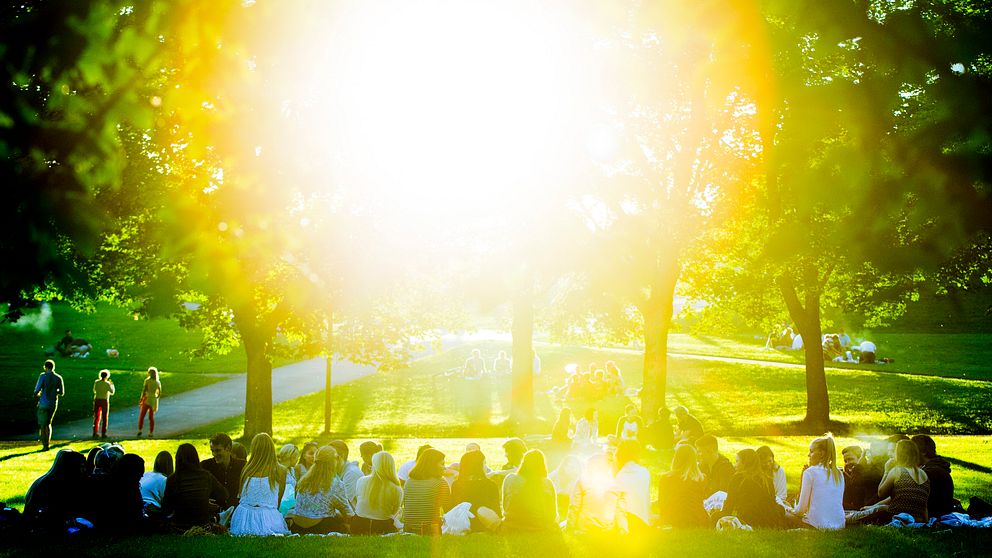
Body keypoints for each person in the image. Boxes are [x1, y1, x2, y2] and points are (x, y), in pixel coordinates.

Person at [230, 432, 290, 535]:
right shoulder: (281, 470)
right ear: (271, 448)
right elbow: (277, 502)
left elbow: (240, 496)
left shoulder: (246, 469)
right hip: (268, 519)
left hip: (243, 518)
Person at [286, 446, 354, 534]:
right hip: (321, 527)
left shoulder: (304, 481)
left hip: (297, 526)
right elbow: (348, 513)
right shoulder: (335, 484)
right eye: (337, 457)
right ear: (332, 461)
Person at [162, 443, 228, 531]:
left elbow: (166, 508)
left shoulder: (173, 479)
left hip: (179, 527)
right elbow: (224, 495)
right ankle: (218, 518)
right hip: (203, 526)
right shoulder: (206, 476)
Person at [720, 449, 787, 529]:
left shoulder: (738, 479)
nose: (735, 465)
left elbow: (729, 504)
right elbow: (771, 504)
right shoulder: (767, 479)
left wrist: (719, 515)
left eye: (737, 461)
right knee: (780, 508)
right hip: (766, 520)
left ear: (745, 462)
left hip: (747, 519)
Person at [24, 449, 87, 531]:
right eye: (81, 466)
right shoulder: (58, 484)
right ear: (72, 467)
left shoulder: (46, 479)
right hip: (44, 525)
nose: (84, 470)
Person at [790, 437, 845, 529]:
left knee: (782, 512)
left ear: (822, 454)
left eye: (811, 451)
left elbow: (801, 510)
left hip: (817, 525)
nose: (808, 455)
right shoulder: (839, 473)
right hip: (840, 524)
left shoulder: (810, 472)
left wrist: (790, 510)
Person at [566, 453, 625, 534]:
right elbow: (619, 509)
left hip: (584, 530)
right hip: (606, 531)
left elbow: (574, 506)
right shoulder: (615, 485)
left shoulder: (582, 481)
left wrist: (569, 529)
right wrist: (622, 528)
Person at [502, 450, 558, 532]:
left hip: (512, 525)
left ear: (523, 462)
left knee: (484, 512)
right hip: (540, 526)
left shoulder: (511, 478)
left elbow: (505, 506)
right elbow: (552, 512)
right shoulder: (547, 482)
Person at [876, 440, 931, 522]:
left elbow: (881, 493)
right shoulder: (924, 474)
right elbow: (924, 505)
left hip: (895, 515)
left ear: (898, 454)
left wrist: (886, 471)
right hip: (917, 519)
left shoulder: (897, 471)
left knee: (857, 515)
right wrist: (926, 523)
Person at [657, 444, 709, 527]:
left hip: (674, 519)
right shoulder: (702, 478)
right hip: (698, 520)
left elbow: (662, 503)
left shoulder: (667, 478)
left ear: (676, 458)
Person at [402, 448, 450, 534]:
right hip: (429, 530)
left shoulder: (409, 481)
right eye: (442, 464)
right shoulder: (440, 482)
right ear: (433, 465)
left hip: (407, 529)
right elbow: (448, 511)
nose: (445, 467)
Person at [450, 450, 501, 532]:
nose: (486, 467)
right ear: (478, 466)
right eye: (484, 463)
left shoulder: (456, 484)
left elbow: (454, 508)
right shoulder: (490, 485)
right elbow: (496, 509)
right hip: (485, 525)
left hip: (462, 524)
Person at [353, 451, 403, 535]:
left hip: (358, 526)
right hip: (382, 527)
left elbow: (359, 500)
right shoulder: (396, 488)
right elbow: (393, 511)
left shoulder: (361, 481)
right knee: (399, 511)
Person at [912, 435, 956, 518]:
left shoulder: (931, 472)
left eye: (912, 451)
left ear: (923, 452)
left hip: (934, 514)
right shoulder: (933, 467)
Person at [201, 432, 247, 509]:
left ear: (228, 448)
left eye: (218, 450)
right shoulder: (205, 466)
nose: (214, 454)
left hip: (237, 511)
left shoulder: (242, 466)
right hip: (215, 512)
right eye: (212, 451)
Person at [613, 440, 650, 530]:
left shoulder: (619, 476)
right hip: (642, 522)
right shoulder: (644, 472)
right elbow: (647, 499)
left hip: (625, 523)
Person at [34, 359, 65, 451]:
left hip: (43, 403)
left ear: (45, 367)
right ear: (53, 367)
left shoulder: (43, 376)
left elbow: (36, 390)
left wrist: (39, 394)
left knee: (43, 425)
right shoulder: (58, 378)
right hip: (53, 403)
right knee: (48, 424)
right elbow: (62, 392)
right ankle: (47, 443)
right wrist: (55, 391)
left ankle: (45, 445)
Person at [329, 440, 363, 504]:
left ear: (341, 456)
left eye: (330, 456)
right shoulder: (337, 471)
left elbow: (344, 504)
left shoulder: (351, 474)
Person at [841, 445, 870, 510]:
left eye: (850, 459)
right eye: (845, 461)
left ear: (860, 458)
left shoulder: (867, 473)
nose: (848, 463)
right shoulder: (846, 473)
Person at [136, 366, 161, 437]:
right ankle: (151, 432)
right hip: (153, 399)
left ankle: (140, 430)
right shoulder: (157, 382)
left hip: (147, 398)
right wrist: (156, 397)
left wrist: (141, 398)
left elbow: (144, 390)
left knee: (142, 415)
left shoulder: (147, 381)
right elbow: (159, 392)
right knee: (151, 417)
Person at [276, 444, 300, 515]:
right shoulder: (278, 470)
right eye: (296, 458)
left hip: (290, 503)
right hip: (280, 504)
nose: (297, 460)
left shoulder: (291, 470)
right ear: (291, 457)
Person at [92, 369, 115, 439]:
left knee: (96, 417)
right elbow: (112, 392)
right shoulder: (107, 384)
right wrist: (112, 385)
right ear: (107, 376)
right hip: (104, 400)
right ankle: (103, 433)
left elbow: (94, 390)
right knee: (104, 417)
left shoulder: (97, 382)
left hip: (97, 399)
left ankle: (95, 432)